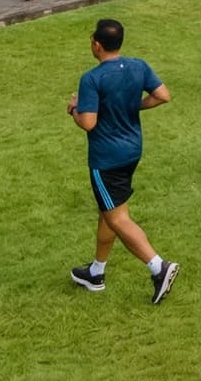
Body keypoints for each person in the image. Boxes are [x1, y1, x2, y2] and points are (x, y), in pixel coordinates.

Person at [68, 17, 179, 305]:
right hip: (132, 151)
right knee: (108, 211)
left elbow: (88, 123)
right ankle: (96, 272)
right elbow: (163, 95)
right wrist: (134, 105)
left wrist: (73, 109)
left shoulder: (92, 79)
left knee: (117, 218)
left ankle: (159, 267)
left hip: (106, 159)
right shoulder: (138, 66)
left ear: (97, 45)